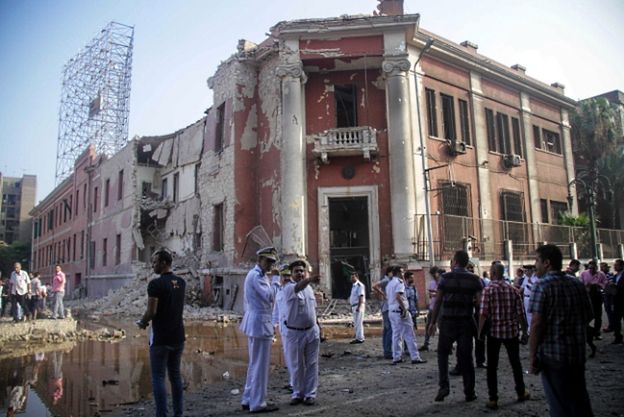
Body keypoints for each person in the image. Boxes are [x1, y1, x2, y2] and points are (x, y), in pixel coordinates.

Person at [529, 244, 594, 417]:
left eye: (537, 260)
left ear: (547, 263)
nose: (535, 265)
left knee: (559, 404)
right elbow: (588, 315)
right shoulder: (576, 284)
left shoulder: (541, 286)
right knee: (580, 400)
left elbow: (536, 324)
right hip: (576, 353)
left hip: (553, 354)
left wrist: (532, 355)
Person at [427, 250, 482, 402]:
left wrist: (432, 323)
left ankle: (444, 387)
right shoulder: (475, 279)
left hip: (448, 322)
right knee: (466, 358)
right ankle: (469, 391)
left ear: (455, 262)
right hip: (465, 321)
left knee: (442, 355)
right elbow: (479, 304)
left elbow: (438, 301)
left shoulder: (445, 278)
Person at [137, 249, 186, 417]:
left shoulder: (155, 284)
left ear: (164, 263)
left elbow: (151, 311)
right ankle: (178, 413)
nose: (152, 265)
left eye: (155, 262)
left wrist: (142, 322)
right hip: (178, 336)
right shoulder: (181, 282)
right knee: (175, 376)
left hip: (160, 338)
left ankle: (161, 414)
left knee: (158, 377)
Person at [479, 262, 530, 410]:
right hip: (511, 332)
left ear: (494, 273)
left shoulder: (488, 291)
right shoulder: (513, 290)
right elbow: (521, 314)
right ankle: (521, 392)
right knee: (515, 363)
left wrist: (480, 332)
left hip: (494, 332)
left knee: (492, 366)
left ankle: (493, 398)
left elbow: (483, 314)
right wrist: (524, 332)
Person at [240, 247, 279, 413]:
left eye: (272, 262)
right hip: (259, 323)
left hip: (256, 322)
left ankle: (248, 398)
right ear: (260, 260)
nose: (270, 265)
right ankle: (258, 403)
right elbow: (269, 296)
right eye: (268, 261)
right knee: (260, 366)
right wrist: (277, 280)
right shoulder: (257, 276)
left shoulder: (257, 275)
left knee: (254, 364)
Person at [283, 259, 321, 406]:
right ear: (291, 274)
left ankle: (310, 394)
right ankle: (298, 393)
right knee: (297, 365)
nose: (299, 273)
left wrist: (318, 327)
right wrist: (310, 279)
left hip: (312, 331)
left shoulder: (309, 289)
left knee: (312, 364)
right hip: (295, 333)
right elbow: (298, 287)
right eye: (296, 271)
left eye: (301, 271)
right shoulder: (289, 288)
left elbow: (313, 310)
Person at [386, 266, 426, 365]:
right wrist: (404, 309)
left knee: (396, 335)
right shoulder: (399, 283)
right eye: (402, 272)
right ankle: (415, 357)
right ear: (399, 273)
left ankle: (396, 357)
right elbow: (398, 296)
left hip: (392, 311)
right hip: (400, 311)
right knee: (409, 334)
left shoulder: (389, 284)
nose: (403, 274)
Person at [272, 264, 294, 390]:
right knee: (288, 356)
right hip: (284, 330)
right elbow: (276, 311)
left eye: (287, 275)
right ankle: (292, 381)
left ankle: (296, 383)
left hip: (294, 328)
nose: (286, 278)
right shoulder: (279, 291)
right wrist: (273, 328)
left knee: (294, 356)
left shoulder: (293, 289)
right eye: (283, 276)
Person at [580, 260, 610, 340]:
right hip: (587, 296)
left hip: (597, 296)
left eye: (593, 268)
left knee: (598, 316)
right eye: (590, 268)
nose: (592, 270)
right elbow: (580, 284)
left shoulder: (601, 274)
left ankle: (597, 333)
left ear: (596, 267)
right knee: (587, 315)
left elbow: (605, 282)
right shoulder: (584, 273)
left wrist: (599, 285)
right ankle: (588, 331)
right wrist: (586, 286)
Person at [373, 266, 394, 359]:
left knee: (386, 329)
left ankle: (386, 350)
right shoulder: (387, 280)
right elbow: (375, 285)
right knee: (389, 329)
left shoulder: (389, 281)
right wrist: (383, 294)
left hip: (386, 307)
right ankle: (388, 351)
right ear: (389, 273)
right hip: (387, 307)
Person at [420, 266, 442, 352]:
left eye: (434, 274)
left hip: (440, 307)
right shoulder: (432, 283)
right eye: (432, 274)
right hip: (432, 306)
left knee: (441, 326)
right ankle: (426, 343)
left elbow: (441, 294)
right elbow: (430, 294)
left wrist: (435, 293)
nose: (433, 275)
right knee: (428, 325)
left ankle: (442, 345)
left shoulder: (442, 282)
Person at [348, 268, 366, 344]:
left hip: (358, 306)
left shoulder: (359, 285)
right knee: (356, 323)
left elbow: (361, 297)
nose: (351, 278)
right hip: (354, 306)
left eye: (353, 277)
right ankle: (358, 337)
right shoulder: (354, 286)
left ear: (357, 277)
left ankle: (360, 338)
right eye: (351, 277)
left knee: (358, 323)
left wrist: (359, 307)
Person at [520, 265, 539, 330]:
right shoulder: (526, 278)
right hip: (526, 298)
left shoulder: (536, 277)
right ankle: (529, 330)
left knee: (533, 315)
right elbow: (521, 289)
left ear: (531, 270)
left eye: (526, 271)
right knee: (528, 315)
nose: (525, 272)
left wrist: (531, 284)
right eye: (524, 271)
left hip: (534, 298)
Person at [611, 259, 624, 344]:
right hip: (616, 301)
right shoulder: (615, 276)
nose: (615, 267)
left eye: (617, 265)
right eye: (615, 265)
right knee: (616, 320)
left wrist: (617, 286)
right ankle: (618, 337)